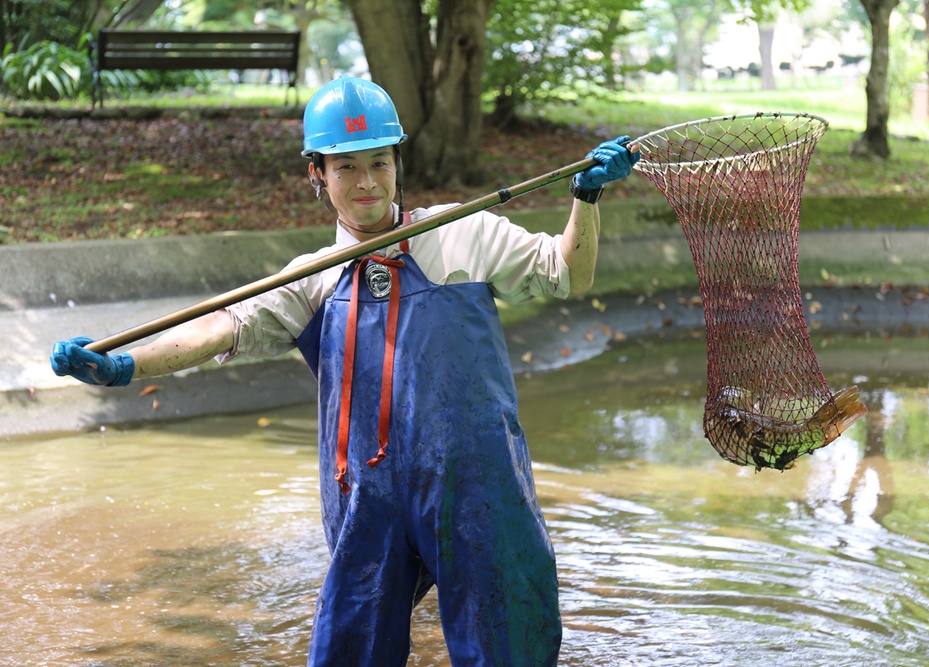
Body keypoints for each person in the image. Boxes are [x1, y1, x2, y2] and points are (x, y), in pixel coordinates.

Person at [50, 75, 639, 666]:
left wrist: (584, 201)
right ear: (317, 175)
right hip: (365, 494)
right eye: (346, 168)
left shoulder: (464, 231)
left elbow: (569, 273)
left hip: (479, 481)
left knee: (509, 646)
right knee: (351, 650)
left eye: (379, 163)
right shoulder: (310, 277)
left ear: (397, 162)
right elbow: (217, 330)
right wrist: (124, 365)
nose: (367, 183)